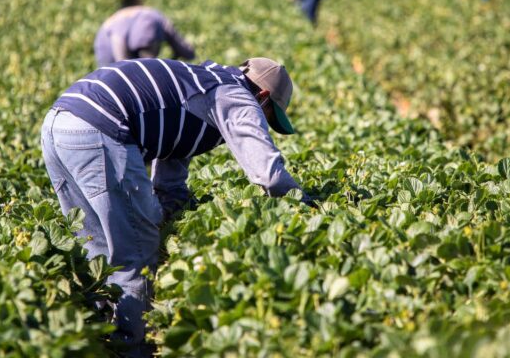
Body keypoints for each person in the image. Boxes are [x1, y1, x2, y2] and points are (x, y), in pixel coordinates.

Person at [41, 57, 309, 355]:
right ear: (262, 96)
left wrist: (178, 209)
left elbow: (170, 168)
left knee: (98, 247)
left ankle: (103, 334)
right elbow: (270, 177)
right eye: (268, 116)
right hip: (99, 127)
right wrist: (308, 207)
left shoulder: (201, 81)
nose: (264, 125)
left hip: (58, 123)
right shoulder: (237, 96)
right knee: (137, 251)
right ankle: (131, 348)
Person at [93, 7, 195, 66]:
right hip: (107, 44)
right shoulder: (119, 34)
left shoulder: (160, 21)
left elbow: (184, 48)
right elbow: (122, 65)